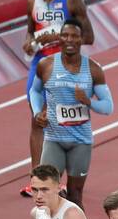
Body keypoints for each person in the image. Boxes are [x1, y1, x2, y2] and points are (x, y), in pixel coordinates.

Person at [22, 0, 92, 198]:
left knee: (61, 122)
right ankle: (37, 181)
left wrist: (60, 36)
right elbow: (30, 31)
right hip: (39, 66)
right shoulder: (32, 1)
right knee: (37, 120)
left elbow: (89, 36)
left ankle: (61, 177)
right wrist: (30, 42)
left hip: (65, 67)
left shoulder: (72, 0)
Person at [29, 20, 113, 208]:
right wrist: (37, 112)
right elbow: (34, 92)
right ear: (59, 38)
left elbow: (108, 107)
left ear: (81, 39)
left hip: (80, 142)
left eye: (74, 36)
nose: (69, 40)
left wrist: (88, 101)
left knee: (75, 196)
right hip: (54, 139)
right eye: (65, 35)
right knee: (46, 192)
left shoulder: (93, 69)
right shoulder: (46, 65)